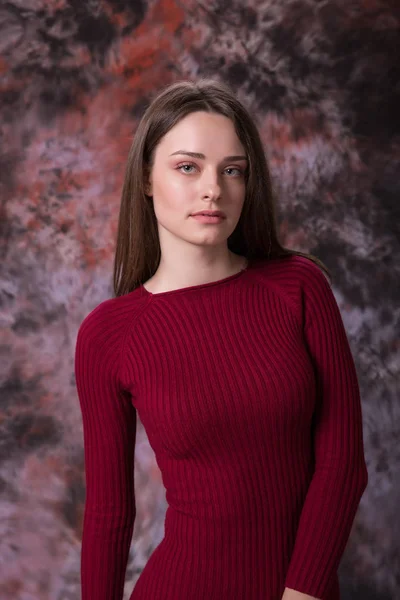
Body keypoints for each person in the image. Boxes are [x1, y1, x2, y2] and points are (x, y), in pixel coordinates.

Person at [74, 78, 368, 600]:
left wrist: (301, 593)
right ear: (146, 178)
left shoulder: (298, 287)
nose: (214, 188)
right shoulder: (109, 334)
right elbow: (109, 515)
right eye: (188, 167)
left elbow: (343, 464)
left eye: (232, 170)